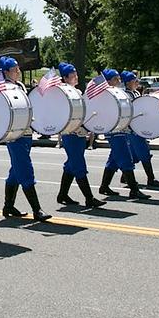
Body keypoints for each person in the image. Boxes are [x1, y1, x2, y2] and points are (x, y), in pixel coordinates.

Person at [0, 56, 51, 222]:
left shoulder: (19, 86)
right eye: (14, 70)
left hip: (26, 133)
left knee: (16, 171)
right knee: (25, 169)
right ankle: (37, 209)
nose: (18, 71)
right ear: (6, 72)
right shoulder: (3, 88)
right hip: (15, 135)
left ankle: (8, 206)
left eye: (18, 69)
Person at [54, 63, 107, 209]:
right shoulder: (62, 93)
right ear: (65, 78)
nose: (76, 77)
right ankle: (89, 198)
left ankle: (62, 195)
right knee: (78, 165)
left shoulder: (76, 91)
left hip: (79, 133)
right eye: (73, 75)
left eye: (76, 74)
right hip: (70, 133)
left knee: (71, 165)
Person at [98, 69, 150, 199]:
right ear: (107, 81)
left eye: (119, 78)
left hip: (120, 129)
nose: (119, 81)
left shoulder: (117, 92)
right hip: (114, 130)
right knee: (125, 158)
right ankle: (134, 189)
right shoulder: (106, 95)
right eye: (115, 79)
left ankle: (104, 186)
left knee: (114, 159)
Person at [122, 72, 159, 188]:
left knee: (134, 155)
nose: (137, 82)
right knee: (144, 153)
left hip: (138, 128)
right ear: (128, 83)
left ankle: (125, 176)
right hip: (133, 130)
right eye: (135, 81)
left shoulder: (135, 93)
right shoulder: (126, 95)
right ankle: (151, 179)